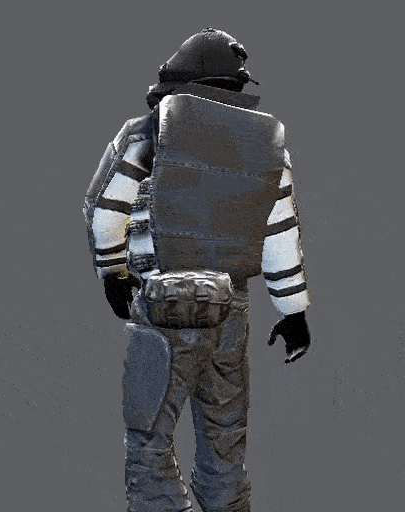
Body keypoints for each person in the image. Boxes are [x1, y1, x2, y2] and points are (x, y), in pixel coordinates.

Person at [84, 27, 312, 512]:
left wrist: (112, 270)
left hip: (162, 300)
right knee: (225, 439)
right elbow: (280, 232)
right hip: (230, 305)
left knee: (149, 434)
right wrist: (293, 311)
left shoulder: (147, 131)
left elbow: (105, 207)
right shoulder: (267, 146)